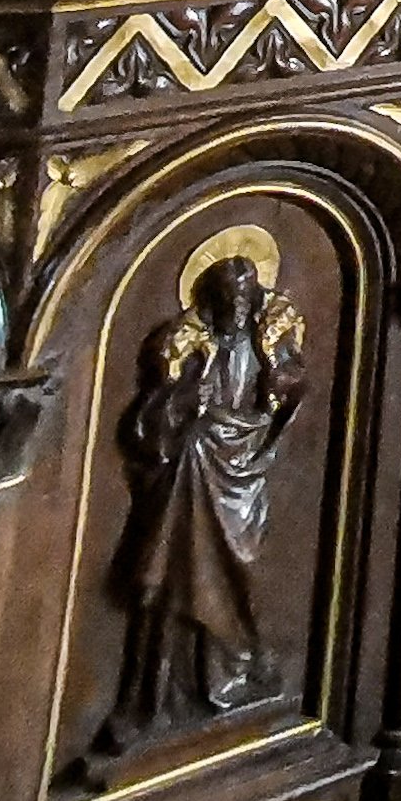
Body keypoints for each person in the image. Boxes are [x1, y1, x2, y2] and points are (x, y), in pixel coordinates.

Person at [100, 250, 308, 748]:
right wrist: (180, 405)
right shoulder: (190, 348)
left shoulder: (268, 337)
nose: (240, 305)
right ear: (211, 299)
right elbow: (148, 423)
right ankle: (163, 695)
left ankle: (237, 668)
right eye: (229, 296)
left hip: (245, 468)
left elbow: (291, 381)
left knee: (243, 571)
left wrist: (286, 385)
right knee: (179, 581)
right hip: (194, 476)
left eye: (246, 295)